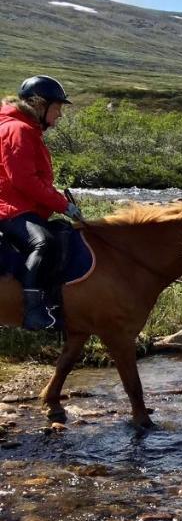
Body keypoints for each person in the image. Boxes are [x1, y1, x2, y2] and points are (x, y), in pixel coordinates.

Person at [0, 75, 83, 331]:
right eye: (57, 108)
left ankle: (55, 303)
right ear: (39, 104)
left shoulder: (23, 128)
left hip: (19, 205)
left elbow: (34, 179)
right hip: (9, 208)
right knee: (43, 242)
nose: (59, 115)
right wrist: (64, 205)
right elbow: (24, 180)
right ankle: (34, 311)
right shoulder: (18, 129)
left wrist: (57, 199)